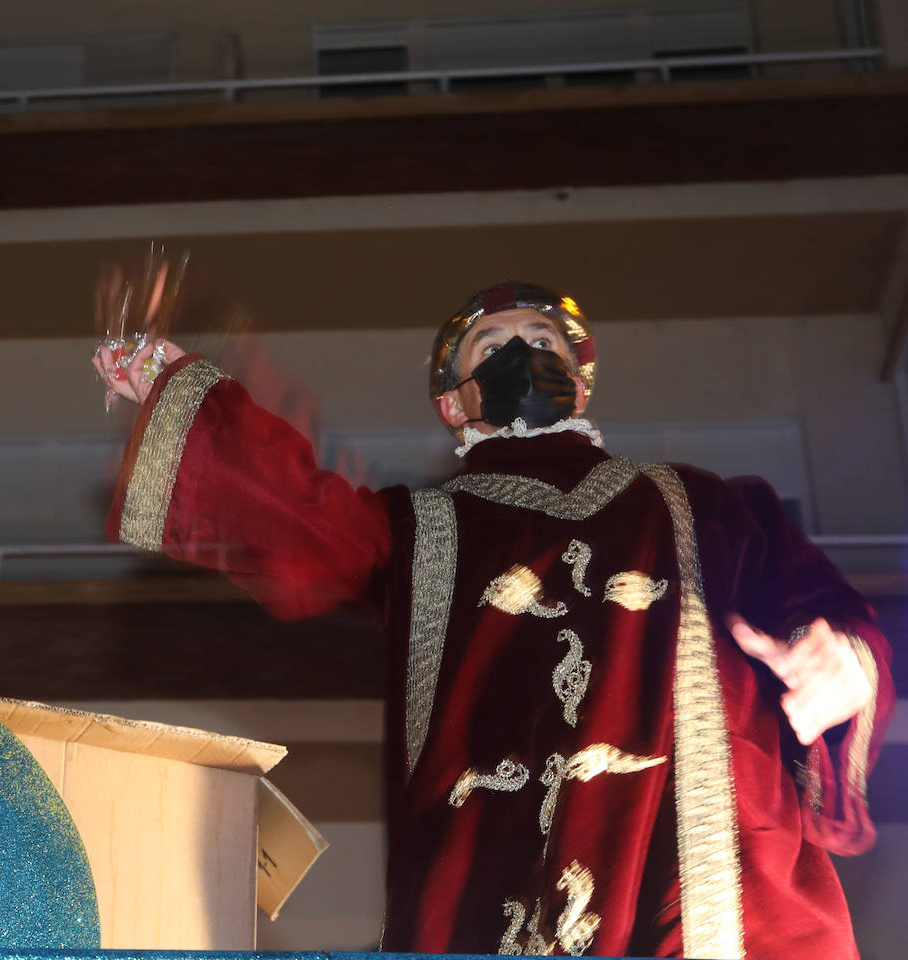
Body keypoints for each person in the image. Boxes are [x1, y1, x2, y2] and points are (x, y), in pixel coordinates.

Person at [93, 281, 893, 958]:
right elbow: (296, 514)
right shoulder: (420, 528)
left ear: (579, 380)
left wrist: (844, 662)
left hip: (705, 876)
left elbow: (820, 606)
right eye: (493, 347)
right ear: (454, 402)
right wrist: (185, 394)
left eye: (542, 338)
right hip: (496, 869)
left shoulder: (709, 503)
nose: (523, 353)